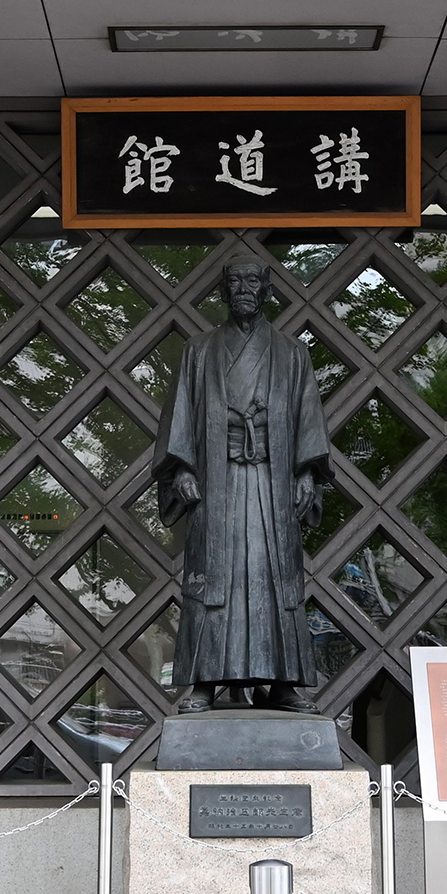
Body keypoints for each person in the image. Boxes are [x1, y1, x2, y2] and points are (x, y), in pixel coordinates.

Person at [153, 257, 334, 714]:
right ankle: (203, 680)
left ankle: (282, 682)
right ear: (223, 290)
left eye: (253, 280)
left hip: (272, 484)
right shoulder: (199, 351)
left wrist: (307, 471)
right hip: (217, 479)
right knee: (215, 578)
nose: (243, 288)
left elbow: (308, 418)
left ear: (268, 288)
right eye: (233, 281)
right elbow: (180, 418)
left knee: (274, 579)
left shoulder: (292, 354)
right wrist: (182, 469)